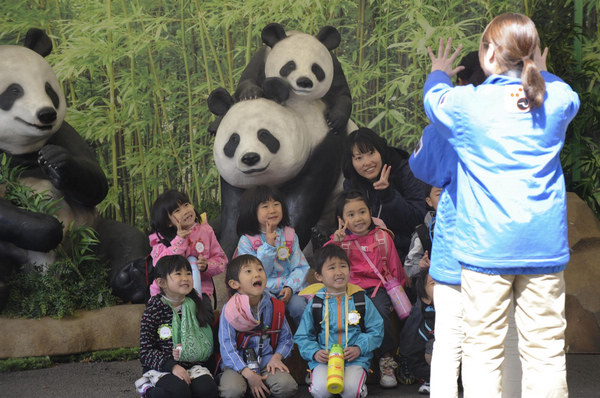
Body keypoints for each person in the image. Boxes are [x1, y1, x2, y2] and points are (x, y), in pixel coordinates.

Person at [423, 13, 580, 397]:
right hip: (543, 249)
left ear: (488, 54)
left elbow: (433, 100)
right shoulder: (556, 98)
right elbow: (567, 96)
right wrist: (543, 72)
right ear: (531, 55)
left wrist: (439, 71)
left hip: (486, 250)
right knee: (544, 351)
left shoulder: (466, 103)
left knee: (483, 351)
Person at [411, 50, 523, 398]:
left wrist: (437, 77)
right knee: (507, 340)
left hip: (458, 250)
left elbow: (420, 168)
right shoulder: (524, 118)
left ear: (460, 83)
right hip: (506, 248)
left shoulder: (446, 128)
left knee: (450, 341)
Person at [326, 189, 407, 388]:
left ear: (370, 212)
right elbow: (325, 266)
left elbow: (395, 269)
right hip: (347, 290)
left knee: (379, 312)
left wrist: (395, 297)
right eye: (351, 215)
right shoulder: (339, 241)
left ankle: (386, 359)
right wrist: (334, 244)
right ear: (341, 219)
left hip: (377, 288)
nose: (358, 218)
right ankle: (340, 360)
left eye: (362, 212)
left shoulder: (382, 238)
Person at [294, 244, 384, 398]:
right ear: (319, 276)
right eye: (331, 268)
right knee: (322, 392)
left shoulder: (360, 299)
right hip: (325, 359)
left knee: (350, 392)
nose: (339, 272)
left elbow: (377, 330)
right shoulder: (316, 303)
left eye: (343, 266)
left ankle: (358, 386)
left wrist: (359, 348)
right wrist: (315, 352)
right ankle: (316, 381)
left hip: (355, 358)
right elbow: (302, 336)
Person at [136, 255, 218, 398]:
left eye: (188, 273)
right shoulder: (154, 310)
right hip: (163, 368)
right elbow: (146, 351)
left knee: (208, 389)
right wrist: (172, 366)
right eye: (178, 274)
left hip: (192, 366)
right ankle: (149, 391)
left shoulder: (196, 305)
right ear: (162, 282)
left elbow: (205, 339)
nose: (185, 278)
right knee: (178, 391)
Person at [218, 254, 298, 398]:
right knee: (232, 391)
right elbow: (226, 345)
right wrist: (247, 373)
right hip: (238, 364)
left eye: (260, 269)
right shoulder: (229, 310)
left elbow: (286, 339)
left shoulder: (275, 306)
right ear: (235, 284)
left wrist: (277, 357)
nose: (257, 274)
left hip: (267, 360)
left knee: (287, 386)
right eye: (248, 271)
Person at [342, 127, 428, 260]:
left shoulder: (404, 171)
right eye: (359, 158)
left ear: (380, 151)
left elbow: (419, 218)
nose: (367, 162)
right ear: (351, 162)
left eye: (371, 153)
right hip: (368, 254)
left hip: (409, 252)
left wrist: (389, 195)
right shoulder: (351, 184)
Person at [236, 185, 310, 325]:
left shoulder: (289, 235)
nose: (272, 210)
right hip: (261, 291)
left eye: (276, 204)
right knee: (265, 308)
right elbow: (253, 274)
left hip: (289, 288)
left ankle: (306, 343)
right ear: (252, 210)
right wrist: (268, 246)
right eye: (265, 206)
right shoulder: (247, 241)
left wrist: (290, 287)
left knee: (299, 307)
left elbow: (300, 266)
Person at [149, 190, 227, 311]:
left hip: (200, 291)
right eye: (177, 211)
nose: (185, 211)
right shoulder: (161, 239)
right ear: (169, 222)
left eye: (186, 205)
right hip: (168, 294)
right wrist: (179, 240)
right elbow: (160, 264)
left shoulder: (206, 231)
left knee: (205, 319)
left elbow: (221, 260)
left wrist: (207, 266)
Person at [397, 268, 436, 395]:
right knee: (431, 346)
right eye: (434, 283)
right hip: (429, 366)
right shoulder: (427, 320)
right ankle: (430, 380)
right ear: (425, 299)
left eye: (444, 282)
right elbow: (414, 353)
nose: (441, 287)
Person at [403, 184, 442, 282]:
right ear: (429, 201)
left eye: (450, 192)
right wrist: (421, 265)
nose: (446, 197)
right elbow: (409, 267)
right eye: (439, 194)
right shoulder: (423, 233)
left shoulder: (469, 225)